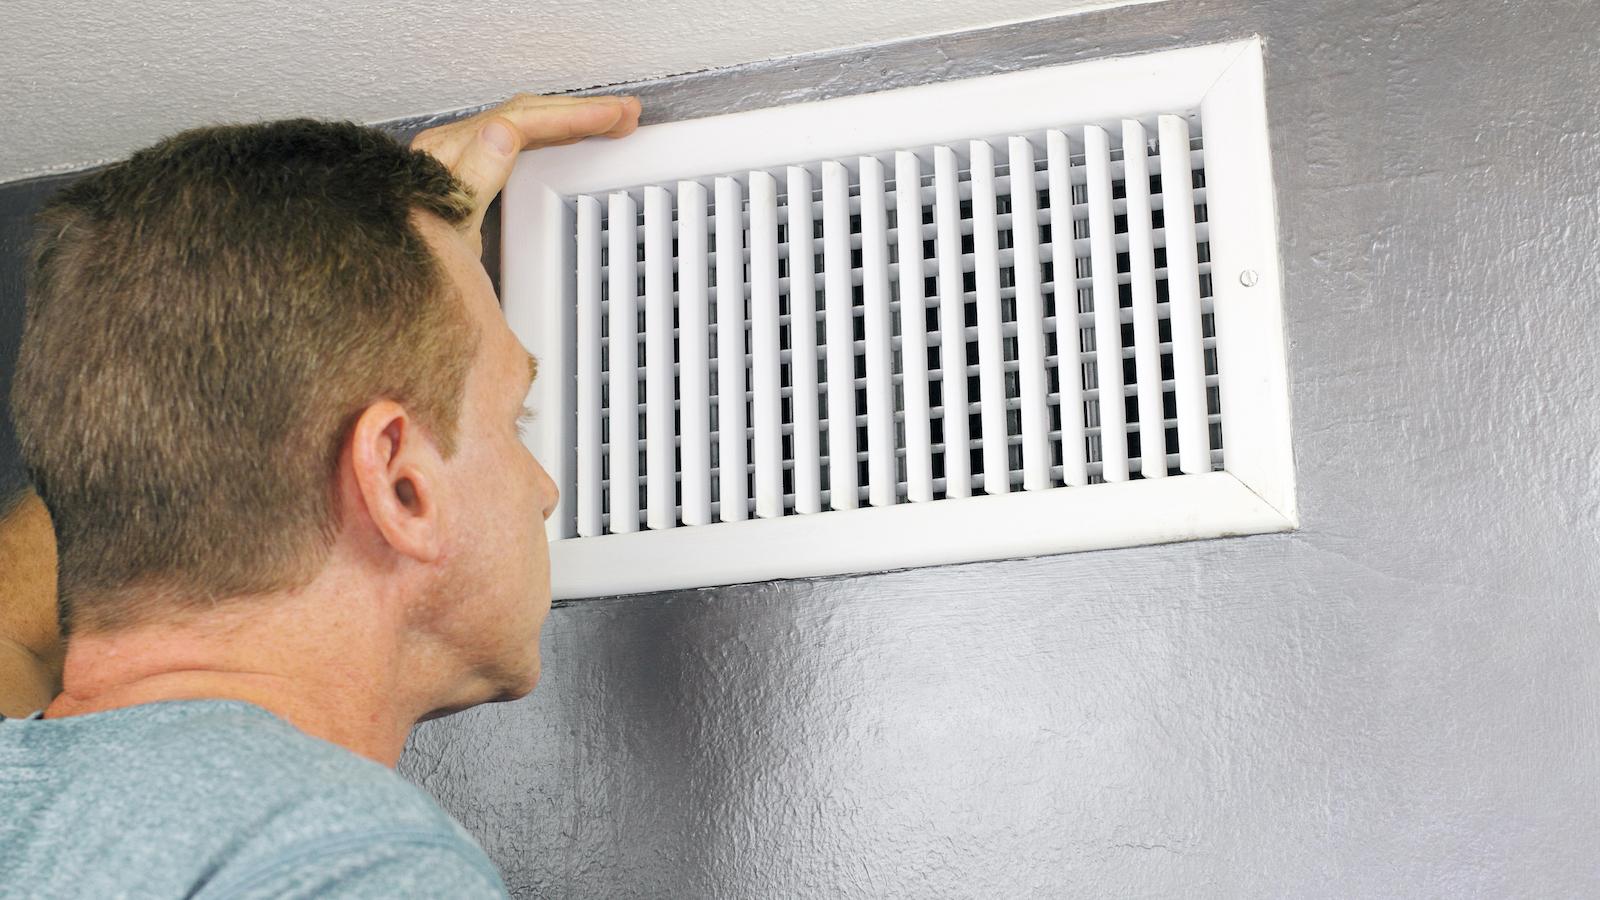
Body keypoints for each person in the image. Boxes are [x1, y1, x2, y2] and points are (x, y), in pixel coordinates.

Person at [0, 93, 641, 898]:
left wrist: (382, 310)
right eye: (516, 419)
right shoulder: (358, 869)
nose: (543, 491)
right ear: (402, 485)